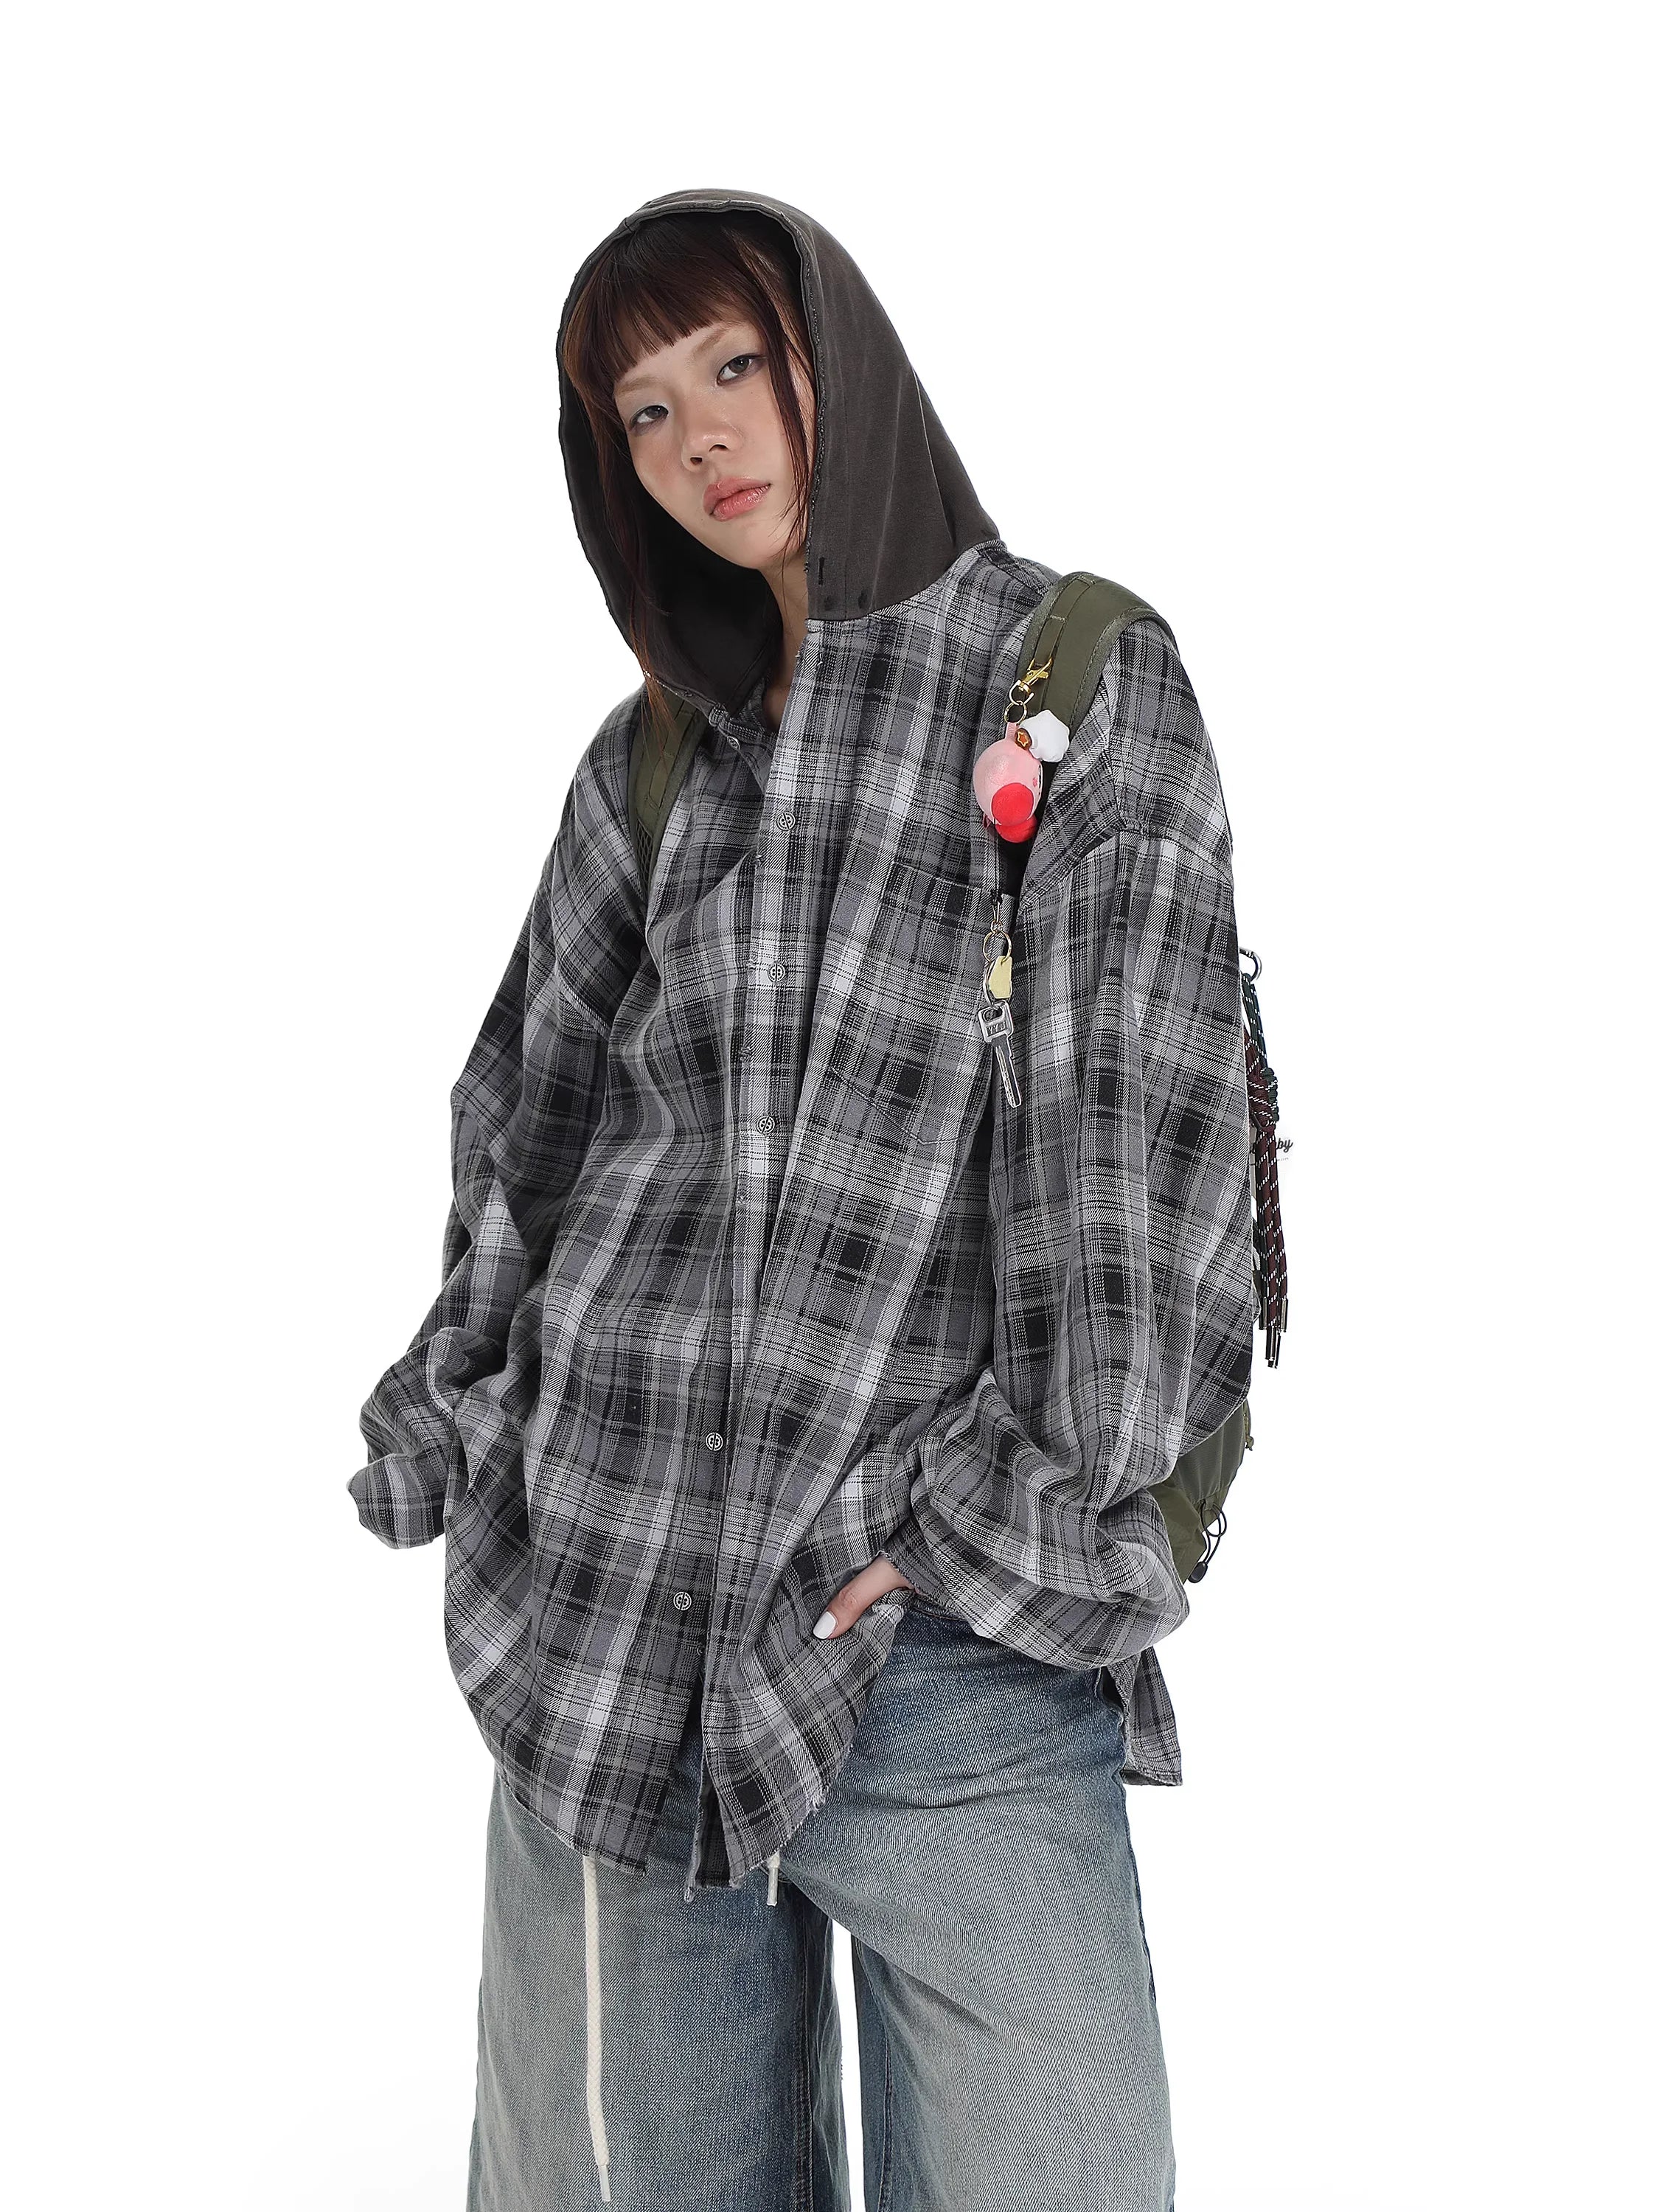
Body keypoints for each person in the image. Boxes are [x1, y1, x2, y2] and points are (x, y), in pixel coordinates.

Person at [351, 187, 1255, 2212]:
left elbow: (1140, 1153)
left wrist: (989, 1525)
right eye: (642, 414)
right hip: (612, 1622)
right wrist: (487, 1434)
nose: (701, 442)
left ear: (832, 351)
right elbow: (525, 1131)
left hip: (945, 1638)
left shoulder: (1063, 683)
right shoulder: (652, 764)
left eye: (734, 366)